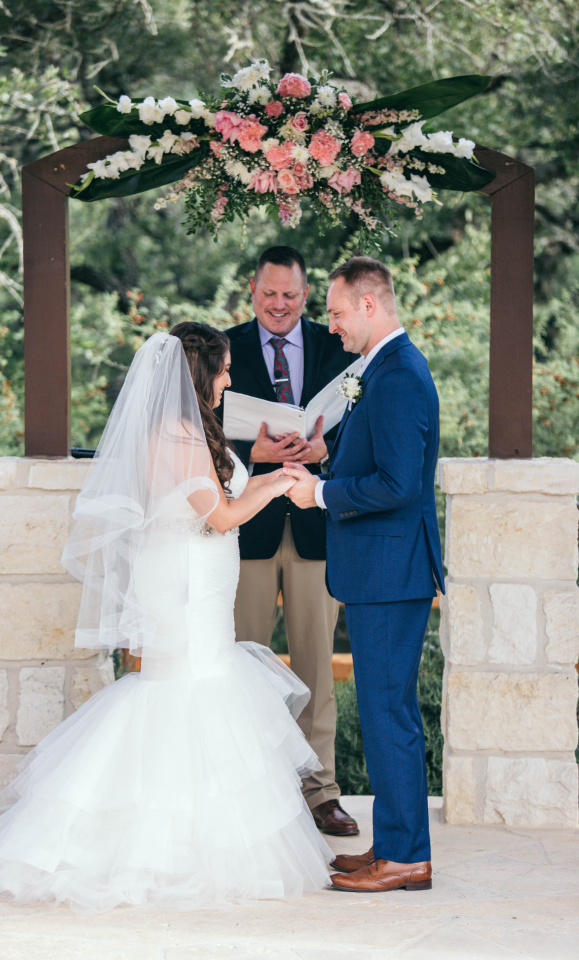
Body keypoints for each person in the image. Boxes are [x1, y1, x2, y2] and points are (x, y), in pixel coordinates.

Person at [0, 323, 333, 913]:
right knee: (183, 691)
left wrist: (268, 477)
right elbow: (223, 517)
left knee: (200, 688)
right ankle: (157, 848)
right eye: (225, 369)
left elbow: (223, 496)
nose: (231, 379)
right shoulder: (176, 437)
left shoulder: (190, 431)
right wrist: (280, 484)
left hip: (197, 580)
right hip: (182, 584)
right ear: (200, 375)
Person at [284, 257, 445, 893]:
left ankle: (404, 858)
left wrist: (320, 495)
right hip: (383, 569)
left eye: (338, 311)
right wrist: (328, 452)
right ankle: (396, 845)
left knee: (386, 713)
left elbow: (400, 484)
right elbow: (377, 455)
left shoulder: (399, 374)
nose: (333, 324)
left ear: (370, 306)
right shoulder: (382, 369)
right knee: (385, 712)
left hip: (390, 570)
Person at [224, 246, 360, 837]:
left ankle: (320, 792)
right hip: (245, 524)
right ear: (252, 289)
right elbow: (196, 428)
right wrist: (251, 454)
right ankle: (243, 787)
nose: (279, 306)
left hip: (314, 527)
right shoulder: (223, 348)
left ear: (306, 296)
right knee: (239, 666)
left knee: (314, 670)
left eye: (291, 296)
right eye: (269, 294)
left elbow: (362, 424)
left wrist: (328, 449)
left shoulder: (338, 348)